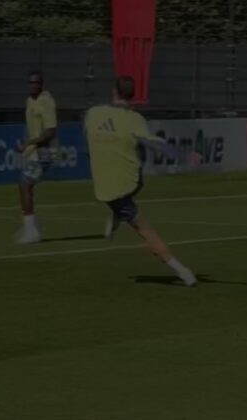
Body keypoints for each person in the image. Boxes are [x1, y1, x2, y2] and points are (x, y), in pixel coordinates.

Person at [83, 76, 200, 286]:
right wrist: (183, 155)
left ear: (113, 92)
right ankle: (182, 271)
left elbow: (88, 142)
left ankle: (117, 215)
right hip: (119, 188)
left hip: (101, 182)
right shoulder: (134, 119)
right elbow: (154, 144)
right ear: (134, 96)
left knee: (137, 176)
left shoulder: (93, 113)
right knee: (143, 228)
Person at [15, 70, 58, 244]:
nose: (33, 85)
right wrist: (27, 145)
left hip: (44, 152)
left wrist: (29, 143)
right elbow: (33, 127)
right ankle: (32, 228)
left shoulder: (46, 102)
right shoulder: (29, 101)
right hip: (35, 151)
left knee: (25, 185)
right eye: (31, 83)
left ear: (41, 84)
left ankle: (32, 231)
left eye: (36, 83)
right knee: (25, 186)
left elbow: (50, 132)